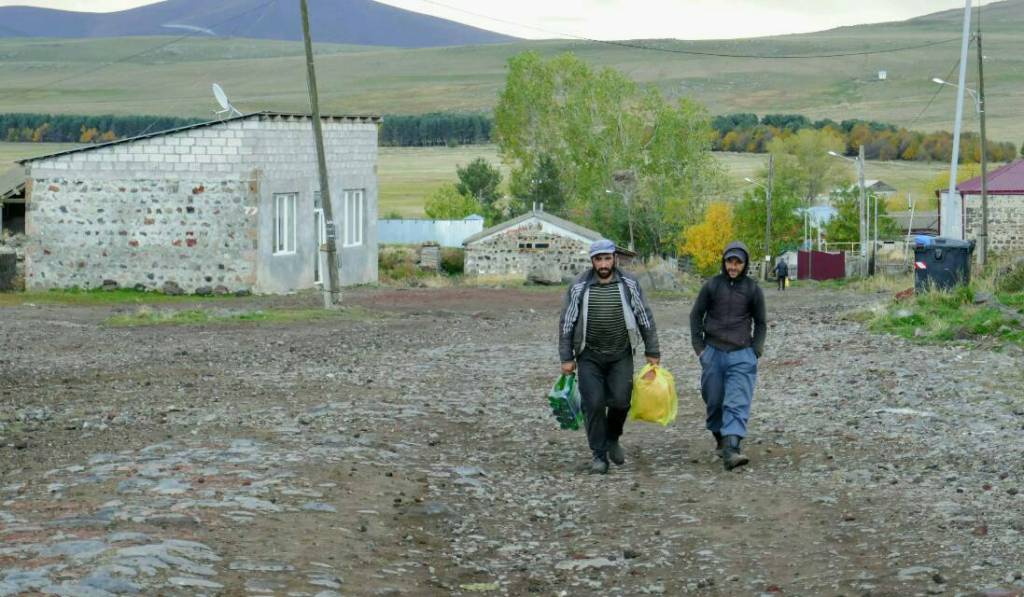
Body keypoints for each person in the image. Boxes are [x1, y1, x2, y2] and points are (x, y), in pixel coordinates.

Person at [558, 239, 661, 474]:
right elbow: (567, 323)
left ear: (614, 258)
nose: (603, 264)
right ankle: (599, 456)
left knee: (621, 401)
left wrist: (652, 350)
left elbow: (644, 315)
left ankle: (613, 437)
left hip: (620, 354)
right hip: (589, 356)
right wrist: (566, 357)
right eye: (598, 259)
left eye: (607, 258)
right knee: (593, 404)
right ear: (592, 261)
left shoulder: (628, 283)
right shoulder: (579, 286)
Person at [689, 241, 767, 471]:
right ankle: (721, 439)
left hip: (742, 355)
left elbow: (761, 323)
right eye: (729, 261)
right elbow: (696, 316)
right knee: (714, 402)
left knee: (736, 402)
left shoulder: (753, 289)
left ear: (745, 264)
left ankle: (732, 449)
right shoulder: (711, 286)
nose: (733, 266)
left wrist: (756, 350)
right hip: (712, 353)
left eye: (738, 262)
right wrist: (700, 349)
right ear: (724, 262)